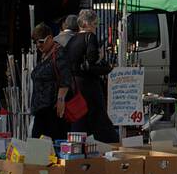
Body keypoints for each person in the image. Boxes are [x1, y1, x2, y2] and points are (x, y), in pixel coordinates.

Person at [65, 9, 118, 143]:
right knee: (98, 115)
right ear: (86, 24)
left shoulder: (72, 40)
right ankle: (110, 143)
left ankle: (76, 145)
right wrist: (102, 60)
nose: (95, 27)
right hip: (89, 85)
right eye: (94, 24)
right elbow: (92, 59)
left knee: (80, 116)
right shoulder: (90, 37)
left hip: (75, 84)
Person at [29, 23, 71, 141]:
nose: (38, 45)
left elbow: (65, 78)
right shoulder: (44, 55)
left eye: (41, 41)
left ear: (50, 38)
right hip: (41, 108)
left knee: (46, 142)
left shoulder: (59, 53)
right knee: (38, 143)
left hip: (51, 108)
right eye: (35, 42)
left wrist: (60, 100)